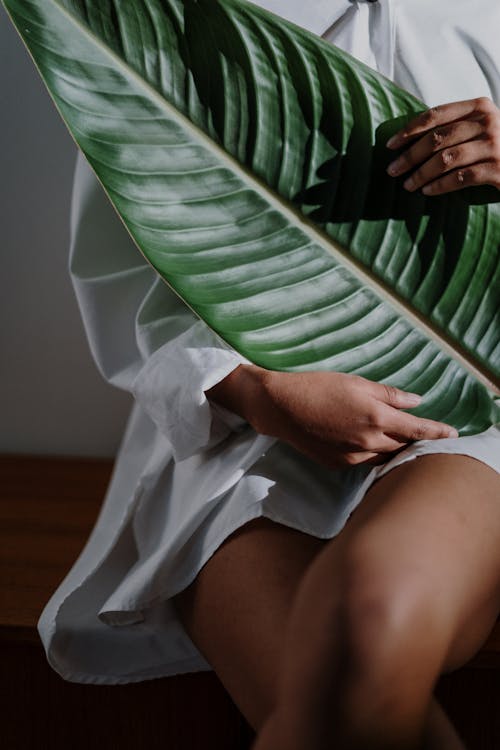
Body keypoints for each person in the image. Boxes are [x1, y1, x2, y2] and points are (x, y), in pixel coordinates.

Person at [36, 1, 500, 748]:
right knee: (335, 706)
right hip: (245, 426)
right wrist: (253, 393)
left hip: (468, 411)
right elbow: (121, 272)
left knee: (367, 620)